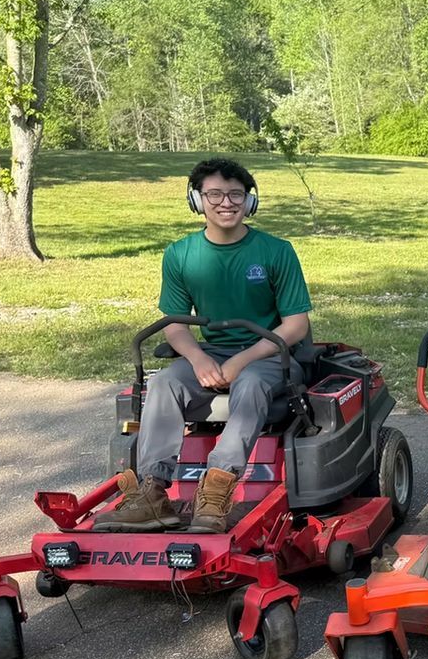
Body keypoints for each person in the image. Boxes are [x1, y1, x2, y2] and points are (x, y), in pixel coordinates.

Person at [96, 157, 312, 534]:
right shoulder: (180, 254)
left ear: (250, 201)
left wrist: (242, 360)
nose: (225, 203)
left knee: (250, 384)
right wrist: (196, 359)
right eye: (214, 194)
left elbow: (296, 325)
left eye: (235, 194)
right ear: (197, 200)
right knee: (164, 382)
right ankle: (153, 493)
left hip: (269, 357)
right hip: (210, 355)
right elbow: (176, 325)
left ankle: (215, 493)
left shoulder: (277, 251)